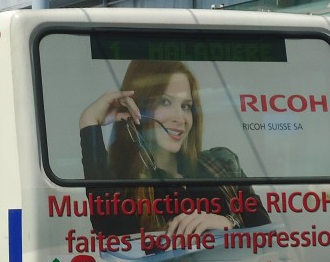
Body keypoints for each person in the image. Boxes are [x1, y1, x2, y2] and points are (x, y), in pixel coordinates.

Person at [79, 58, 269, 238]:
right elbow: (114, 238)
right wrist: (89, 121)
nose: (180, 118)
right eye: (165, 102)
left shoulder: (222, 164)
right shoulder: (124, 187)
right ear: (138, 106)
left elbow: (268, 236)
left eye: (186, 106)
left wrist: (228, 224)